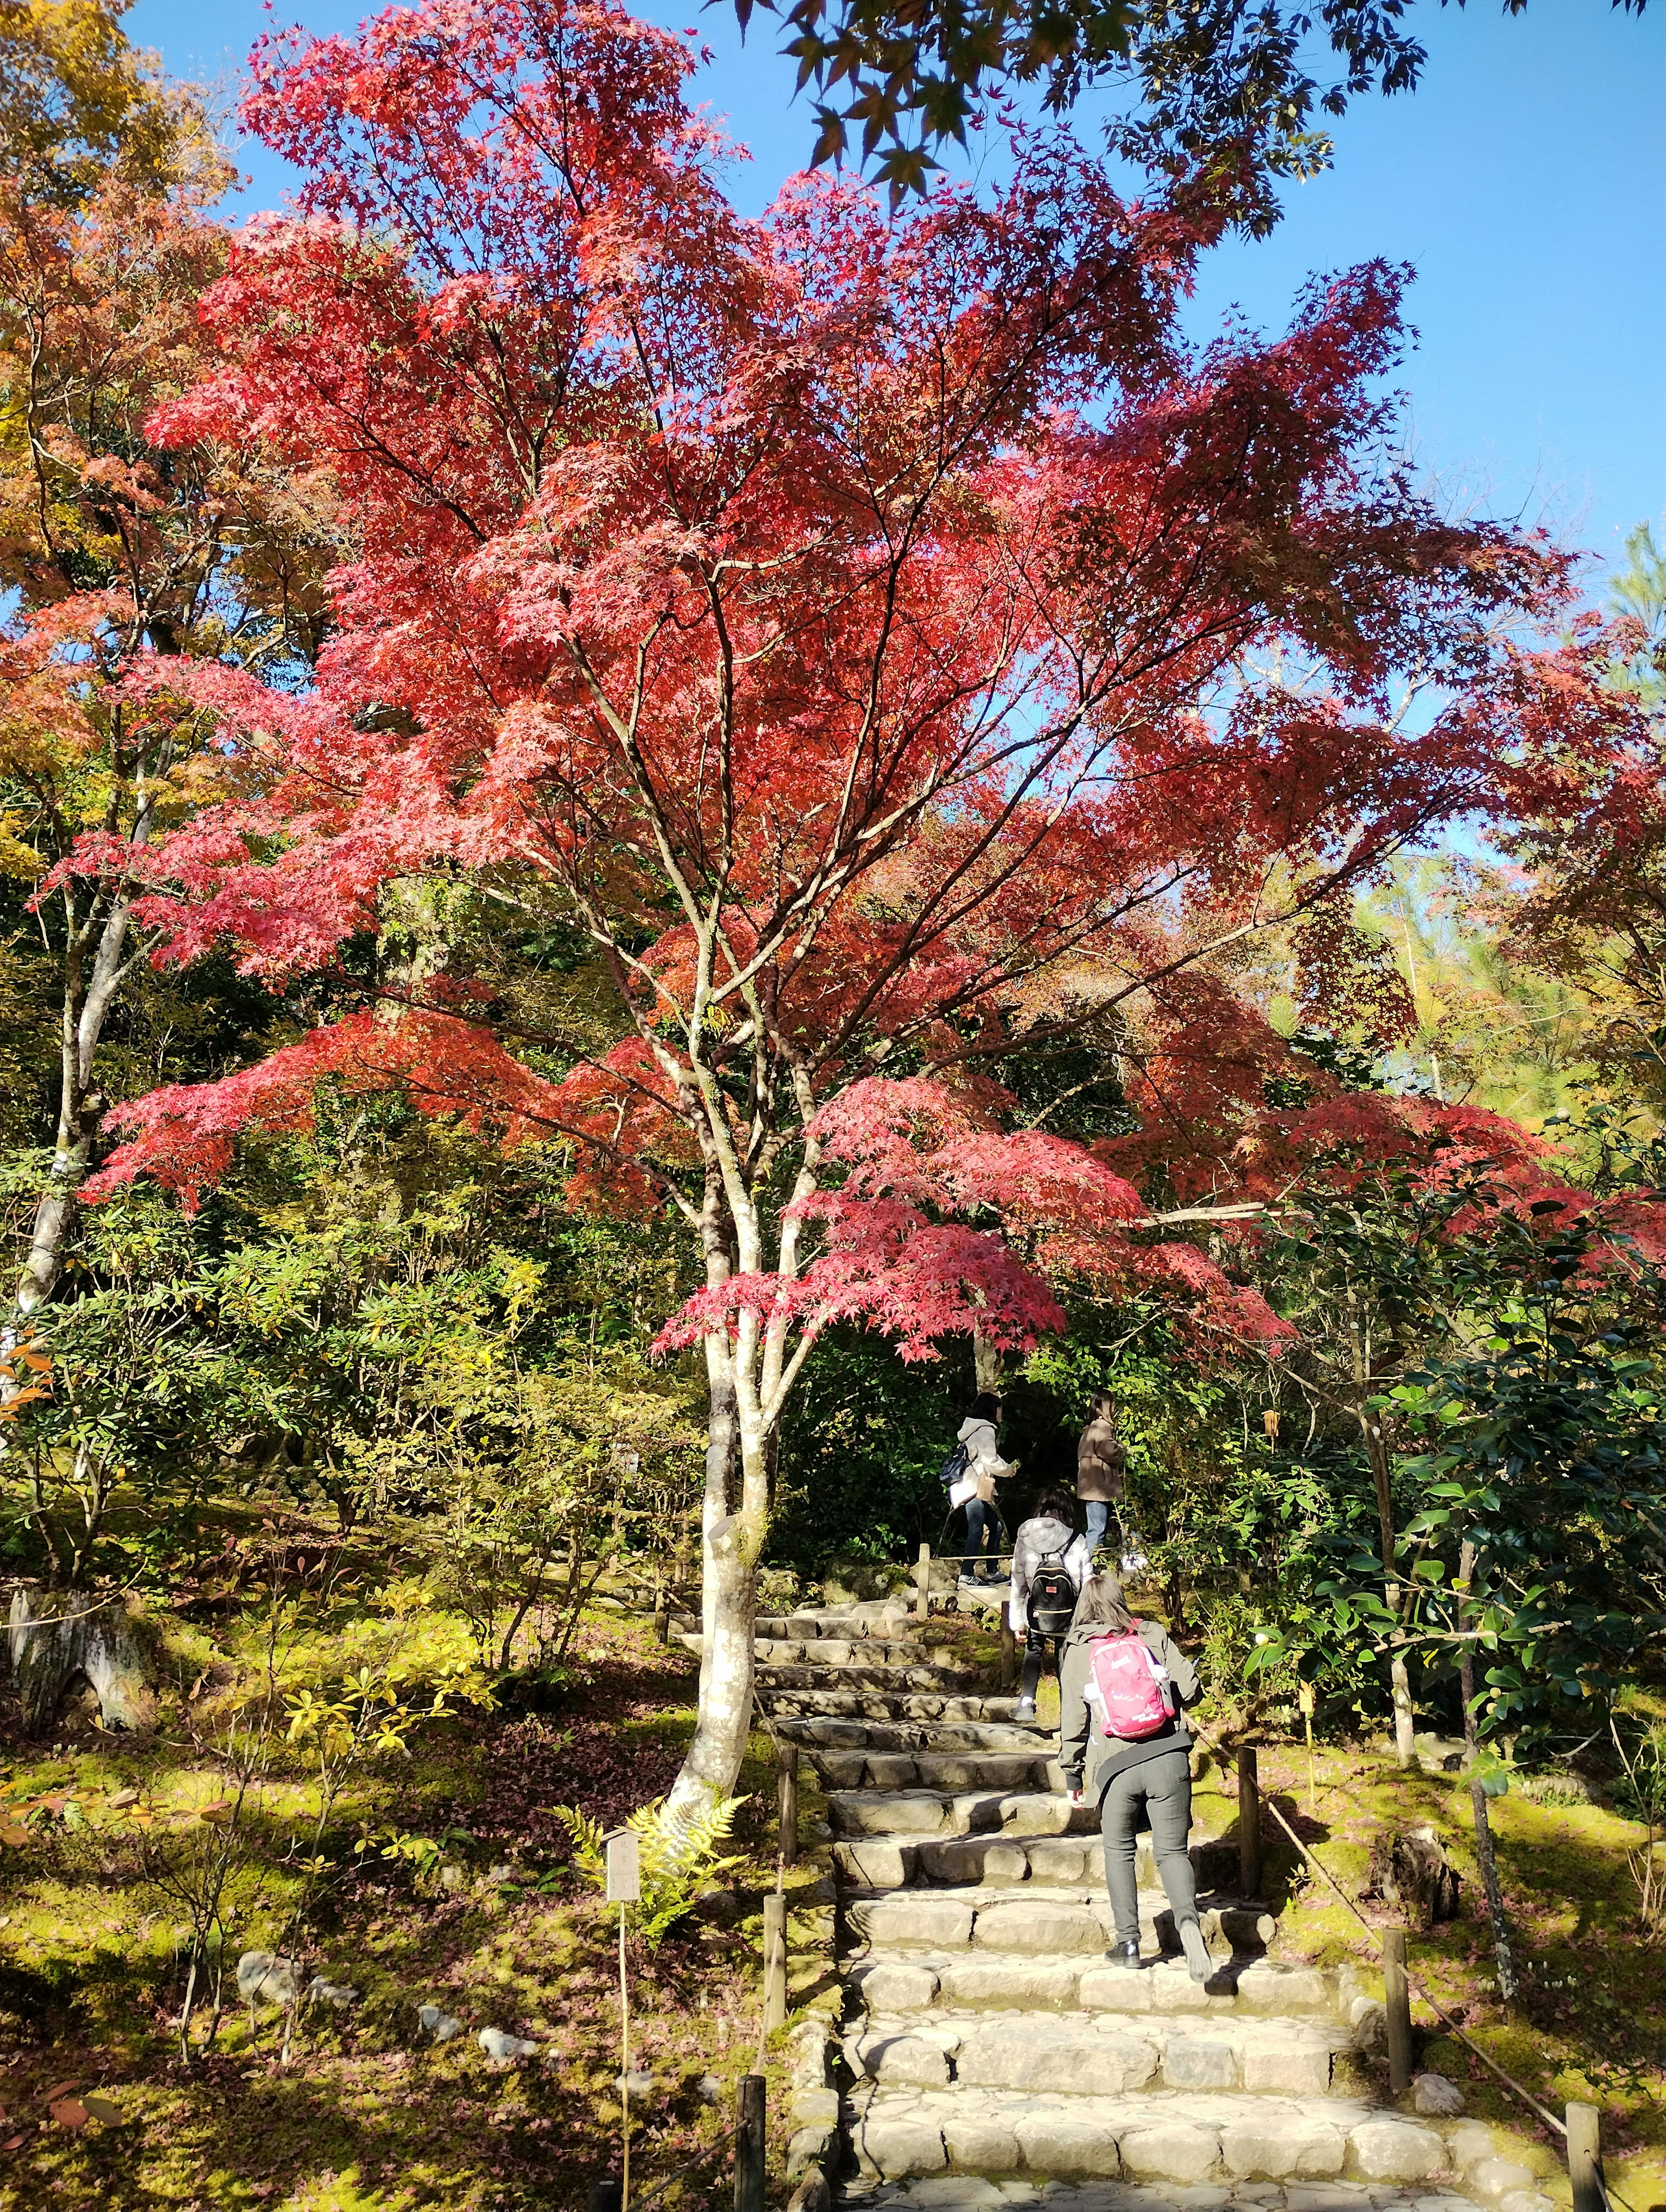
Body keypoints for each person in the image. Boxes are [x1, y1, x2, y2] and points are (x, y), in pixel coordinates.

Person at [1058, 1572, 1213, 1981]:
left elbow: (1073, 1720)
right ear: (1121, 1599)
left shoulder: (1077, 1650)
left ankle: (1128, 1942)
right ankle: (1188, 1924)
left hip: (1115, 1769)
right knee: (1172, 1853)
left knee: (1119, 1850)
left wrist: (1073, 1776)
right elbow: (1193, 1689)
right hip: (1169, 1757)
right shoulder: (1150, 1633)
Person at [1008, 1488, 1093, 1721]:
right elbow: (1087, 1581)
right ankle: (1070, 1712)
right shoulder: (1077, 1538)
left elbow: (1018, 1580)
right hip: (1069, 1611)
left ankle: (1026, 1704)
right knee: (1064, 1655)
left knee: (1034, 1650)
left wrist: (1017, 1622)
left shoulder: (1025, 1537)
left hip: (1036, 1609)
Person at [949, 1391, 1014, 1587]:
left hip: (966, 1486)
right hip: (972, 1488)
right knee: (977, 1528)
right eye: (999, 1409)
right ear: (992, 1409)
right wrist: (1009, 1470)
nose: (1001, 1413)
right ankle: (966, 1575)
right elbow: (990, 1460)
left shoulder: (970, 1429)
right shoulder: (986, 1430)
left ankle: (992, 1571)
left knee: (996, 1526)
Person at [1076, 1392, 1128, 1561]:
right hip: (1099, 1487)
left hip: (1090, 1488)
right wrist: (1123, 1448)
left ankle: (1090, 1564)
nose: (1114, 1409)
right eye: (1111, 1405)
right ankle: (1086, 1565)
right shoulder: (1102, 1427)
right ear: (1101, 1407)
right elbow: (1109, 1451)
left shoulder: (1090, 1427)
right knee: (1097, 1530)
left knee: (1096, 1528)